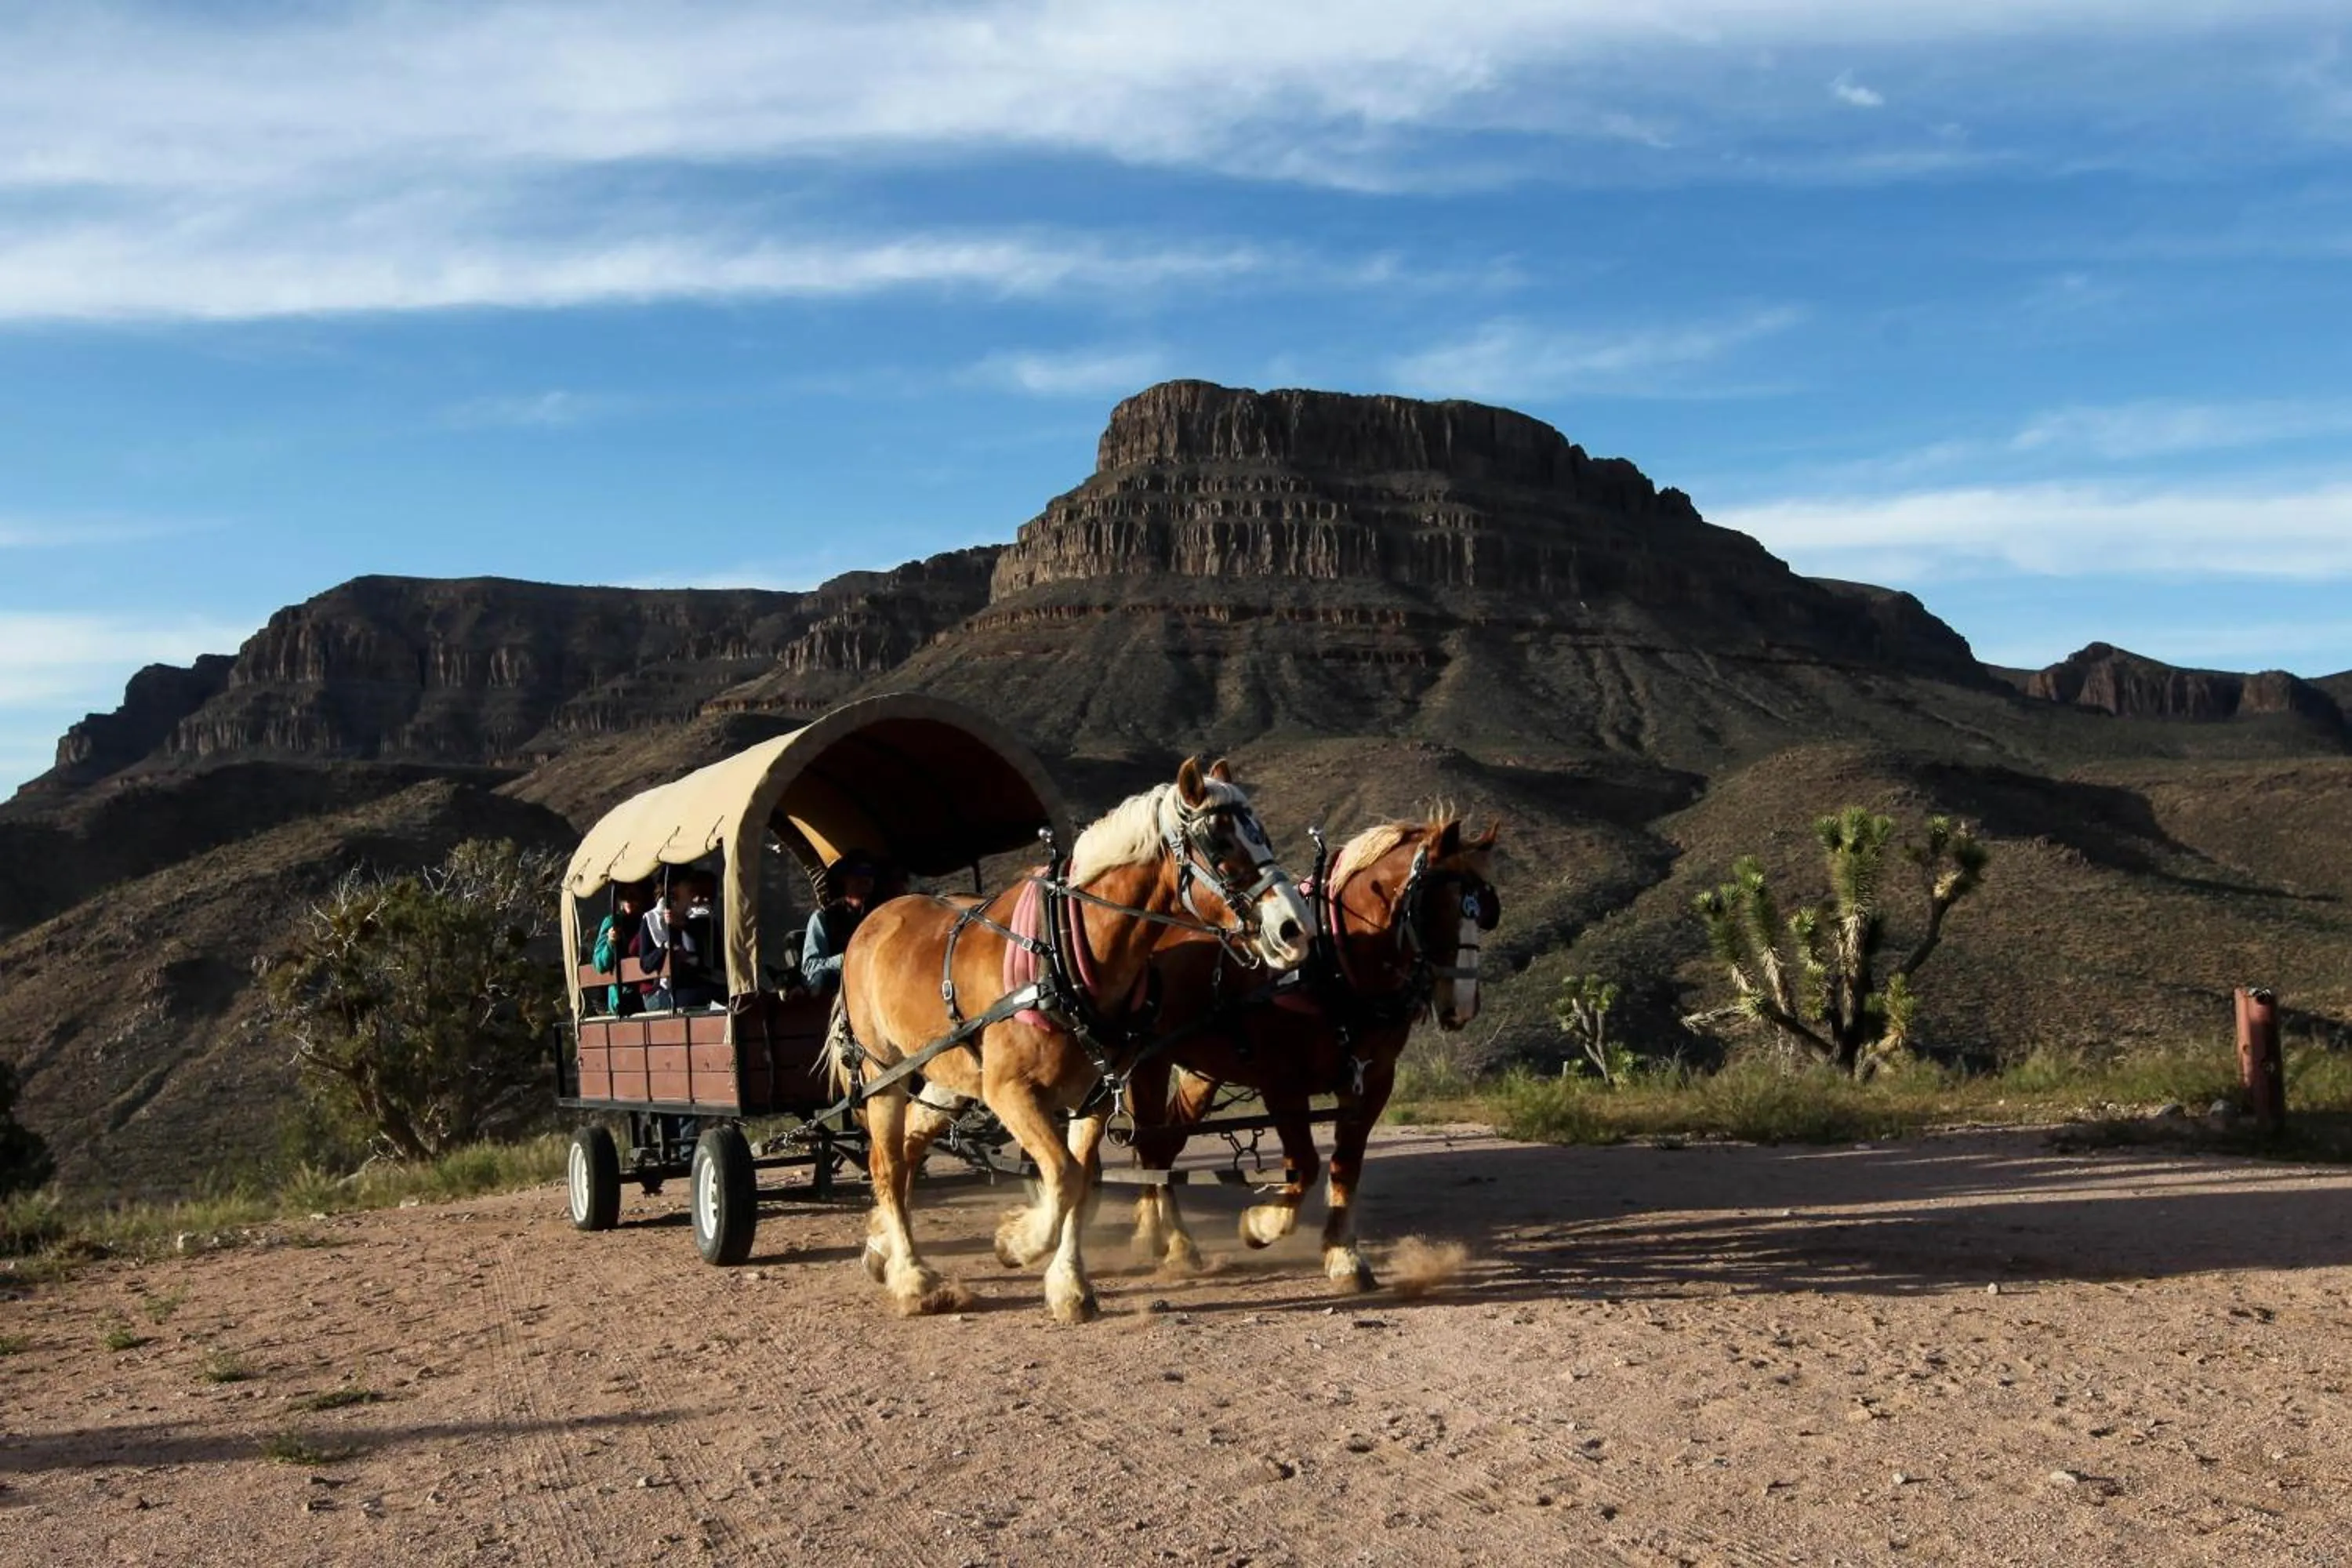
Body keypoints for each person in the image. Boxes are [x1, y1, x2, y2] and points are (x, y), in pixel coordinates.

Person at [801, 849, 883, 997]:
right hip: (839, 992)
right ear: (845, 878)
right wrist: (847, 958)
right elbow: (810, 967)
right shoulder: (823, 918)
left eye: (870, 873)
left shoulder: (881, 916)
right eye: (859, 873)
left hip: (876, 986)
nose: (866, 879)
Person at [636, 880, 719, 1011]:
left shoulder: (695, 917)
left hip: (693, 984)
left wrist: (683, 924)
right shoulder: (653, 919)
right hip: (663, 990)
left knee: (719, 993)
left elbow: (703, 959)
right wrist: (666, 947)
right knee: (703, 996)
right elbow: (646, 965)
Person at [590, 887, 644, 1016]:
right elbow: (599, 964)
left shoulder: (646, 919)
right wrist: (610, 942)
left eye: (634, 897)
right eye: (625, 897)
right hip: (623, 994)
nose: (629, 901)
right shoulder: (613, 921)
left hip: (646, 989)